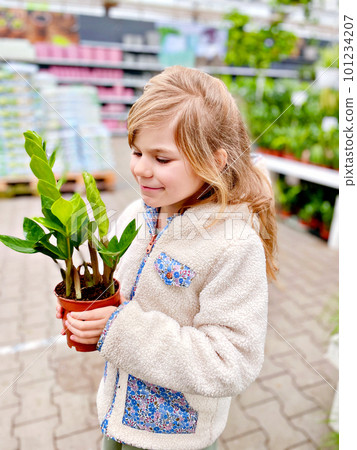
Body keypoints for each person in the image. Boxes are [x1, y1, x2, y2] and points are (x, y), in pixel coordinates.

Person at [56, 65, 278, 450]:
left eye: (162, 159)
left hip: (175, 436)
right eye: (137, 151)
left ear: (215, 160)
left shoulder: (234, 245)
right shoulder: (139, 214)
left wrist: (118, 329)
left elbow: (230, 360)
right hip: (117, 415)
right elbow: (121, 293)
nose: (141, 168)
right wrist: (90, 313)